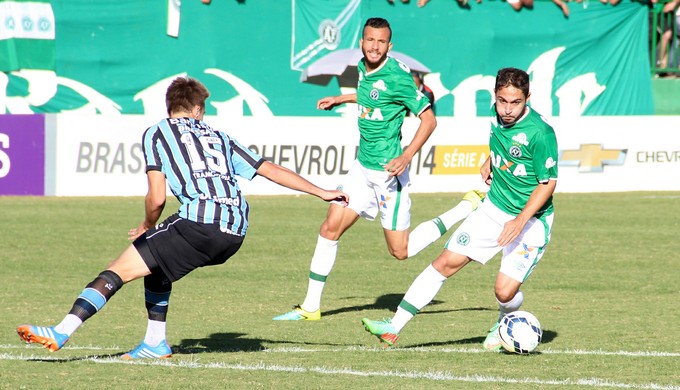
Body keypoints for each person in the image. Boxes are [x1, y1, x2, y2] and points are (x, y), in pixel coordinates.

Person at [16, 76, 349, 359]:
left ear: (170, 107)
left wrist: (147, 225)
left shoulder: (157, 132)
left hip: (199, 224)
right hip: (235, 231)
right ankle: (154, 341)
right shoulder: (220, 136)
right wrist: (320, 191)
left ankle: (62, 331)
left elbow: (157, 197)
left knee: (117, 270)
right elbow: (268, 168)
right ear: (198, 109)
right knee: (157, 265)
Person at [273, 17, 484, 322]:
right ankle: (310, 306)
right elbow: (372, 95)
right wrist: (341, 98)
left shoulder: (399, 76)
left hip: (388, 173)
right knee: (329, 228)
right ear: (362, 41)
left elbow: (429, 120)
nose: (374, 46)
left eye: (381, 42)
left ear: (389, 45)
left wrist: (407, 155)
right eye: (370, 40)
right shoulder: (362, 67)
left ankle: (466, 206)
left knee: (401, 251)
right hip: (362, 169)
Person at [361, 67, 558, 351]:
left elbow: (547, 184)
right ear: (496, 95)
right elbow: (499, 141)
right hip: (493, 209)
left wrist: (519, 221)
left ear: (528, 98)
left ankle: (504, 320)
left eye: (515, 102)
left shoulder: (540, 133)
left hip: (531, 222)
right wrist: (490, 160)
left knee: (504, 292)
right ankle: (394, 327)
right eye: (502, 100)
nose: (507, 109)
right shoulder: (495, 114)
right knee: (444, 263)